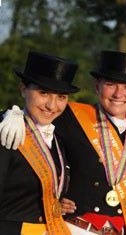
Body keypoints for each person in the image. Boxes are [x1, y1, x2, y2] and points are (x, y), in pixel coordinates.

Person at [0, 50, 126, 234]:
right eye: (111, 84)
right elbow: (36, 114)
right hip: (73, 228)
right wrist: (8, 113)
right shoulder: (70, 117)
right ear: (97, 86)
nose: (118, 94)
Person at [0, 51, 79, 234]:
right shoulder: (7, 131)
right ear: (23, 89)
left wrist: (56, 203)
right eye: (44, 93)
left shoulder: (58, 139)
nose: (52, 105)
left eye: (61, 97)